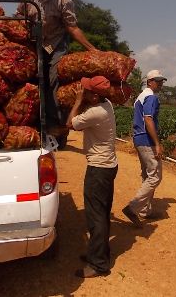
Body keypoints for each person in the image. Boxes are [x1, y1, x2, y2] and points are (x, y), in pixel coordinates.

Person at [16, 0, 98, 147]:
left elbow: (72, 27)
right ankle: (31, 124)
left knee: (52, 80)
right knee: (30, 80)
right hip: (34, 43)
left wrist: (91, 48)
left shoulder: (63, 0)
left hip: (55, 44)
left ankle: (55, 126)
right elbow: (19, 19)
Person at [66, 76, 118, 278]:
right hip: (108, 166)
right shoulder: (107, 104)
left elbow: (69, 123)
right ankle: (99, 253)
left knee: (95, 215)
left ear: (95, 96)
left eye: (86, 90)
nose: (83, 91)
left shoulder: (96, 112)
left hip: (99, 169)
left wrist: (78, 101)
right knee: (102, 213)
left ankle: (98, 265)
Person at [122, 69, 167, 228]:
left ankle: (144, 211)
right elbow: (148, 120)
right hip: (146, 139)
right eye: (157, 80)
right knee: (155, 176)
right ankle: (133, 208)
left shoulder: (140, 96)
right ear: (149, 82)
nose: (160, 83)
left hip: (138, 138)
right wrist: (157, 143)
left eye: (161, 81)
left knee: (147, 175)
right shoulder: (151, 97)